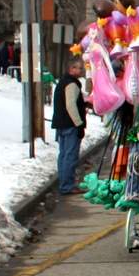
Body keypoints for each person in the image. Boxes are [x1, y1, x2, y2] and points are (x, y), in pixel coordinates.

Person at [51, 58, 90, 195]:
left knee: (63, 155)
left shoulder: (63, 82)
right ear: (71, 69)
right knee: (70, 155)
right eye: (78, 68)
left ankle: (65, 183)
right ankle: (67, 185)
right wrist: (79, 124)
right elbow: (70, 105)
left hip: (61, 123)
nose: (81, 70)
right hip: (70, 125)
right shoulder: (72, 84)